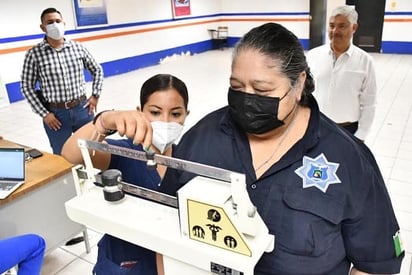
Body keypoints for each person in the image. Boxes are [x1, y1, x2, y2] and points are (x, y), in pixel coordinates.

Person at [156, 23, 404, 274]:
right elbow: (162, 221)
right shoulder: (202, 138)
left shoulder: (349, 159)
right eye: (237, 87)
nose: (247, 99)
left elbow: (375, 264)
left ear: (299, 85)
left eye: (262, 89)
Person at [61, 73, 190, 275]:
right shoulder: (124, 153)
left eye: (175, 114)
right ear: (140, 112)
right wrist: (104, 121)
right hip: (125, 261)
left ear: (186, 115)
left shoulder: (189, 158)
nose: (165, 121)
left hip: (171, 261)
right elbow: (71, 153)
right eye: (155, 112)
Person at [21, 7, 104, 155]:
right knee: (62, 155)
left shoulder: (77, 48)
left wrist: (95, 95)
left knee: (92, 149)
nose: (55, 25)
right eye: (50, 22)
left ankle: (94, 177)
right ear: (43, 27)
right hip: (56, 115)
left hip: (82, 109)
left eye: (57, 21)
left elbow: (97, 70)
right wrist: (44, 114)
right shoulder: (34, 54)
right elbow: (26, 86)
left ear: (63, 23)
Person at [306, 5, 377, 142]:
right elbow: (304, 92)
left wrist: (361, 136)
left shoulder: (365, 61)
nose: (335, 31)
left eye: (342, 26)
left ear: (354, 28)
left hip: (347, 130)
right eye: (332, 25)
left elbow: (369, 102)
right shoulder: (313, 56)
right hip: (316, 125)